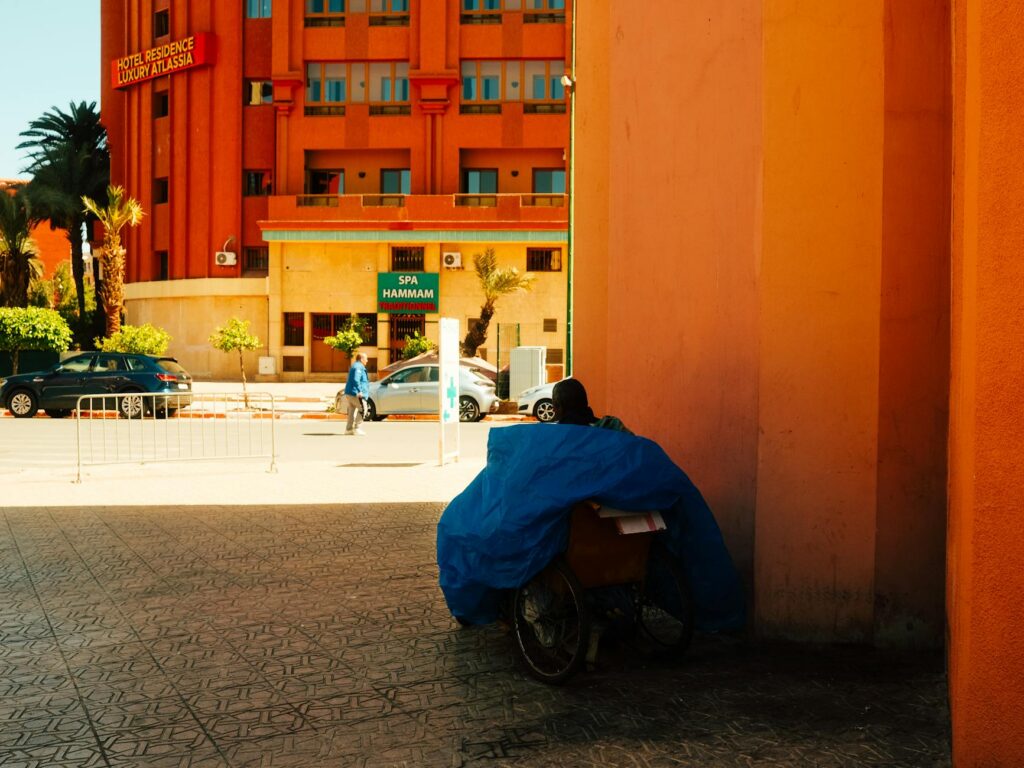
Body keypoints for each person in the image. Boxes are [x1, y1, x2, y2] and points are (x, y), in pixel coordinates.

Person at [551, 378, 632, 433]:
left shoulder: (554, 438)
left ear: (559, 407)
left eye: (554, 404)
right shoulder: (612, 427)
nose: (553, 409)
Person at [343, 352, 370, 435]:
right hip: (355, 393)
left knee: (351, 411)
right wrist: (359, 391)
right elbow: (356, 379)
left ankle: (348, 429)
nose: (367, 361)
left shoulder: (355, 366)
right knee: (363, 409)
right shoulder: (358, 367)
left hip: (350, 392)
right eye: (366, 359)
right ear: (361, 359)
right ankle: (357, 428)